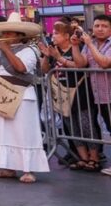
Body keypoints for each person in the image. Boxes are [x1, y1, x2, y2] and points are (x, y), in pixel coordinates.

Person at [0, 13, 49, 183]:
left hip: (20, 95)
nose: (5, 36)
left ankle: (28, 169)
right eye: (4, 33)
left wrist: (6, 49)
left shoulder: (30, 50)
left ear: (20, 35)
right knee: (1, 132)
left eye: (10, 33)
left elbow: (21, 68)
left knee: (23, 133)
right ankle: (7, 167)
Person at [41, 22, 99, 171]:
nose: (53, 36)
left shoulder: (78, 48)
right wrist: (47, 57)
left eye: (56, 33)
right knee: (71, 127)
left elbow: (80, 65)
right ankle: (83, 157)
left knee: (87, 126)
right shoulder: (54, 50)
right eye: (53, 33)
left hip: (80, 94)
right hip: (62, 96)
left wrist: (60, 58)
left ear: (66, 36)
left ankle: (95, 158)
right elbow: (45, 70)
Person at [79, 15, 111, 176]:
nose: (99, 29)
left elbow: (104, 63)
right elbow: (81, 63)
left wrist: (90, 44)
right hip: (98, 94)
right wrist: (74, 46)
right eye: (97, 25)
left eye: (104, 26)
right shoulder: (88, 44)